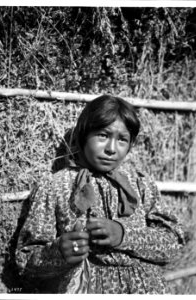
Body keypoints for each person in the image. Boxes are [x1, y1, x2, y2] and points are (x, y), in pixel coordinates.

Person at [15, 95, 184, 294]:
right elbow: (25, 260)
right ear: (83, 136)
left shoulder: (141, 184)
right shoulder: (54, 186)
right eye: (103, 135)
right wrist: (60, 252)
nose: (111, 149)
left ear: (130, 146)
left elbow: (174, 243)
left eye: (122, 140)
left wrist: (124, 235)